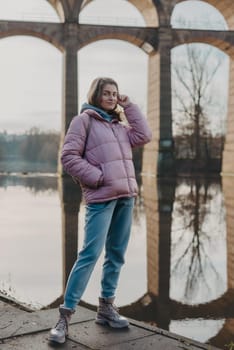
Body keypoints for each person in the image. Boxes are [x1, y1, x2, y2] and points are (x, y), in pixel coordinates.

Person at [49, 77, 152, 344]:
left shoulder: (119, 126)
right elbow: (68, 156)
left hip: (126, 198)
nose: (111, 97)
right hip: (102, 198)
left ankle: (106, 308)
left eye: (115, 93)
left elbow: (144, 135)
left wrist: (129, 106)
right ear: (95, 94)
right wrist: (96, 178)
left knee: (116, 254)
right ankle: (64, 317)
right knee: (89, 255)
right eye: (106, 92)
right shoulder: (83, 121)